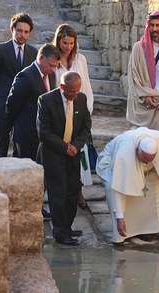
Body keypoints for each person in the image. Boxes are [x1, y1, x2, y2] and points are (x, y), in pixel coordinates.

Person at [96, 127, 159, 245]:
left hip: (138, 160)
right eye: (144, 160)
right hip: (109, 164)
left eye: (149, 160)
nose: (146, 163)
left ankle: (158, 226)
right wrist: (120, 218)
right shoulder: (123, 156)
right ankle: (122, 232)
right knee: (112, 185)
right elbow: (118, 189)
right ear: (136, 150)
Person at [36, 71, 91, 245]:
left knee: (72, 191)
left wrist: (75, 145)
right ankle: (60, 233)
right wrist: (65, 147)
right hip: (53, 153)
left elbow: (86, 127)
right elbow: (44, 132)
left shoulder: (81, 99)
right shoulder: (45, 100)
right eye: (70, 92)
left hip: (73, 154)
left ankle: (66, 227)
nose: (74, 95)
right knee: (58, 194)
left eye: (77, 91)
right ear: (62, 87)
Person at [52, 23, 94, 210]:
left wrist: (86, 112)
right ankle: (63, 194)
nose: (67, 46)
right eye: (64, 42)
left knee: (78, 155)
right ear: (58, 41)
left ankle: (78, 193)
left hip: (78, 111)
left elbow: (86, 88)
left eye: (71, 43)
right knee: (62, 155)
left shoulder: (81, 59)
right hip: (59, 114)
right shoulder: (54, 60)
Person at [0, 12, 37, 158]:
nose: (22, 34)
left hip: (24, 107)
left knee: (20, 145)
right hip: (3, 104)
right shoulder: (0, 49)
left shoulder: (33, 52)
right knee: (1, 143)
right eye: (19, 30)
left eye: (26, 32)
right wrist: (0, 95)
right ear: (12, 30)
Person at [6, 43, 60, 161]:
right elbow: (12, 104)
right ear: (40, 58)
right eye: (50, 65)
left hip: (42, 134)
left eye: (55, 66)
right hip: (26, 134)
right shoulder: (26, 76)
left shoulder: (51, 75)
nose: (52, 69)